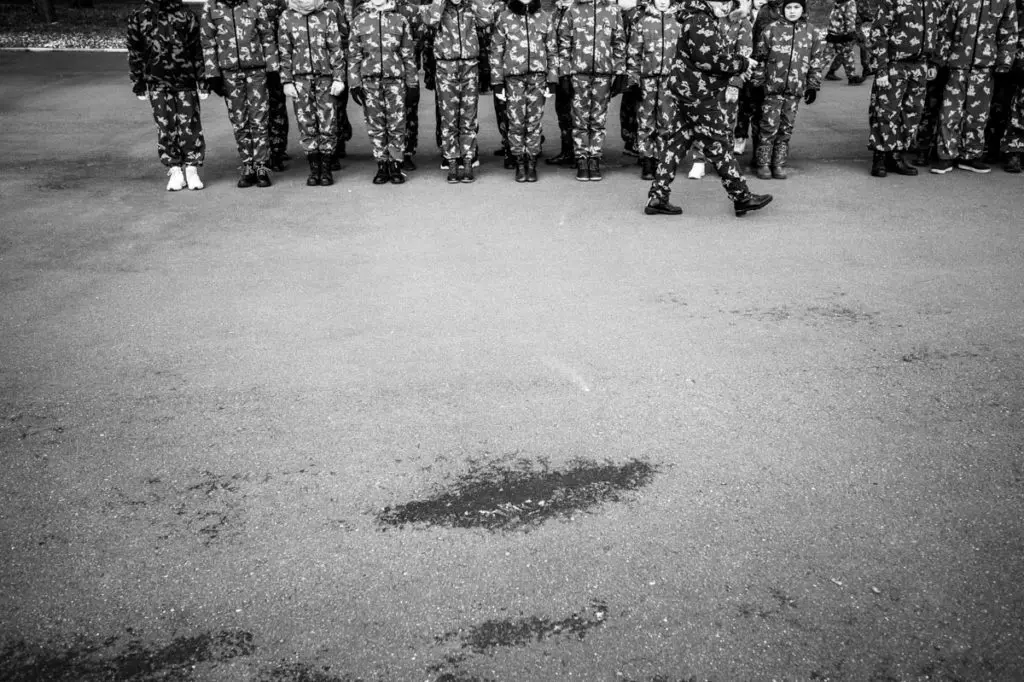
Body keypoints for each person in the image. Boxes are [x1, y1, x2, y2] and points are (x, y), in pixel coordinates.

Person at [645, 0, 771, 215]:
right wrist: (742, 63)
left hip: (688, 89)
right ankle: (741, 196)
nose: (724, 5)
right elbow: (709, 60)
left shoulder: (696, 17)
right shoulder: (700, 20)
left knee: (676, 143)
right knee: (719, 142)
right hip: (697, 92)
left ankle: (657, 197)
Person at [127, 0, 208, 191]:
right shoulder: (140, 15)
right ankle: (175, 169)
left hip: (185, 81)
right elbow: (135, 51)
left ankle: (192, 169)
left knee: (190, 125)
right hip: (157, 82)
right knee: (165, 127)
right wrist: (138, 83)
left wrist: (203, 81)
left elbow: (197, 49)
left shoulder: (186, 14)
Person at [929, 0, 1017, 174]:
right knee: (949, 113)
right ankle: (946, 156)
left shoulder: (1005, 2)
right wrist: (938, 61)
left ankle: (970, 156)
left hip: (984, 66)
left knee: (978, 115)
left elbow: (1009, 32)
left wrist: (1004, 62)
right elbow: (946, 29)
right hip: (957, 64)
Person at [201, 0, 279, 188]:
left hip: (256, 71)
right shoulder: (211, 6)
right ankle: (247, 165)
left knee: (259, 119)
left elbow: (267, 37)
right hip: (229, 73)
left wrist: (272, 68)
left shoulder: (254, 4)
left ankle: (261, 166)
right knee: (239, 121)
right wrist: (212, 74)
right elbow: (207, 42)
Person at [865, 0, 943, 178]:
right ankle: (880, 156)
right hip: (895, 64)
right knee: (886, 111)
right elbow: (879, 32)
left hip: (920, 65)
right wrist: (881, 69)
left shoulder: (934, 3)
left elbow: (939, 32)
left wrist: (934, 62)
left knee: (911, 112)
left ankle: (896, 155)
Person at [422, 0, 494, 182]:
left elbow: (487, 18)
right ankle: (452, 161)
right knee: (448, 118)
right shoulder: (439, 8)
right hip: (446, 66)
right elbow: (430, 20)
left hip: (469, 66)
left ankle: (468, 160)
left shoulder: (471, 7)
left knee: (469, 116)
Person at [349, 0, 419, 183]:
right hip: (370, 81)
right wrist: (354, 83)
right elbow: (354, 55)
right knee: (375, 125)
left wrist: (412, 83)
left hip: (395, 81)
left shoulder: (400, 20)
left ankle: (395, 164)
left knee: (397, 124)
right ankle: (382, 164)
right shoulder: (359, 21)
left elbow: (408, 54)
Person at [278, 0, 347, 186]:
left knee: (328, 123)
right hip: (300, 79)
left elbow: (336, 48)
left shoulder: (326, 15)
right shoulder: (287, 16)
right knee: (306, 124)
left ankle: (326, 169)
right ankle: (314, 169)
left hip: (325, 78)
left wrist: (339, 77)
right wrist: (286, 80)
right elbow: (284, 51)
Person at [750, 0, 821, 180]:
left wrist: (813, 85)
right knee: (768, 125)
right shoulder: (771, 29)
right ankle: (763, 163)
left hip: (794, 89)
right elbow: (760, 58)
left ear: (803, 9)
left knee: (786, 127)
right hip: (772, 89)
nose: (792, 11)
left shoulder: (811, 32)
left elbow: (815, 61)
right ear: (782, 9)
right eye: (788, 7)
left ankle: (779, 163)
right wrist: (757, 83)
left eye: (796, 7)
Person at [558, 0, 627, 181]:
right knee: (579, 118)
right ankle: (582, 159)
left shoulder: (613, 11)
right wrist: (564, 74)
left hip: (603, 74)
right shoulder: (573, 9)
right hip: (578, 72)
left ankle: (594, 158)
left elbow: (619, 43)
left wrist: (620, 72)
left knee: (598, 118)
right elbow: (564, 43)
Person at [490, 0, 559, 182]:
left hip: (538, 78)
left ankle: (532, 162)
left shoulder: (544, 17)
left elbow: (552, 50)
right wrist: (497, 82)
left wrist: (552, 79)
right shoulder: (504, 17)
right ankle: (519, 162)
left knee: (534, 122)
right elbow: (496, 51)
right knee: (516, 122)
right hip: (513, 79)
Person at [690, 0, 752, 179]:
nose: (722, 5)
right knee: (700, 120)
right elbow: (691, 50)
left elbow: (744, 54)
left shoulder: (741, 21)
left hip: (726, 80)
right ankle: (698, 160)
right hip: (701, 79)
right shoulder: (700, 18)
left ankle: (724, 161)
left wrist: (735, 82)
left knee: (725, 122)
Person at [626, 0, 681, 181]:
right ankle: (647, 159)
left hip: (669, 80)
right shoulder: (643, 22)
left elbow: (684, 54)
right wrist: (633, 80)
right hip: (647, 79)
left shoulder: (678, 23)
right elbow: (634, 53)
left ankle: (662, 159)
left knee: (667, 121)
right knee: (645, 120)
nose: (663, 1)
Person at [546, 0, 577, 166]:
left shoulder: (578, 10)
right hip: (560, 71)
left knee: (577, 114)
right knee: (563, 112)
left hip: (576, 71)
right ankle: (567, 151)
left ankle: (580, 154)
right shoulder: (557, 12)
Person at [263, 0, 291, 172]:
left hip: (275, 63)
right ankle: (260, 152)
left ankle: (277, 151)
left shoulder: (277, 2)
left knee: (277, 107)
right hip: (252, 64)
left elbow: (285, 30)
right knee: (256, 111)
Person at [823, 0, 864, 85]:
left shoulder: (839, 2)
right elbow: (849, 17)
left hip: (833, 32)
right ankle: (852, 78)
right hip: (843, 34)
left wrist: (831, 30)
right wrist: (851, 33)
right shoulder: (850, 2)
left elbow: (834, 16)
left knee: (826, 56)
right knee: (847, 54)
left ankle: (811, 72)